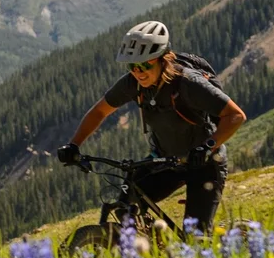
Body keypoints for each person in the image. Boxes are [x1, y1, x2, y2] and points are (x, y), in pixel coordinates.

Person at [57, 20, 246, 232]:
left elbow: (235, 115)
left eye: (145, 65)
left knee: (195, 237)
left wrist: (206, 147)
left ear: (163, 59)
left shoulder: (188, 83)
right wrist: (74, 145)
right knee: (126, 209)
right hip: (165, 161)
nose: (138, 72)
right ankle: (154, 253)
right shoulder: (132, 83)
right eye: (132, 66)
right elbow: (100, 111)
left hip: (204, 163)